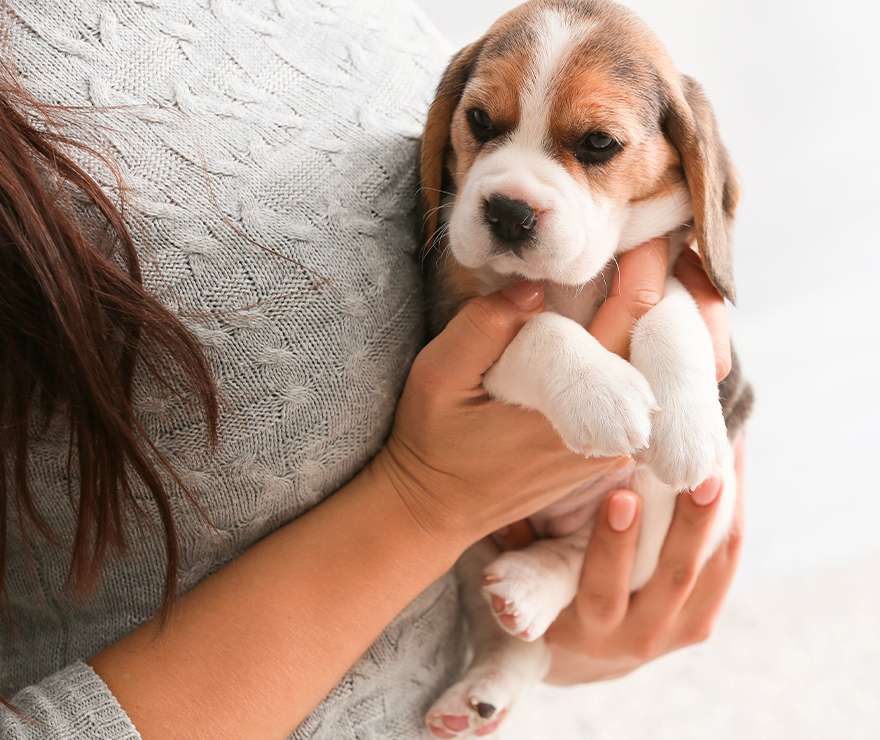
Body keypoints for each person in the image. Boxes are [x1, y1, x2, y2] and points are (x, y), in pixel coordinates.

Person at [0, 1, 744, 738]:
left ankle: (538, 610)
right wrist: (427, 502)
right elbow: (479, 342)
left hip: (569, 572)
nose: (516, 191)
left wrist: (601, 620)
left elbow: (689, 329)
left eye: (596, 142)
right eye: (484, 125)